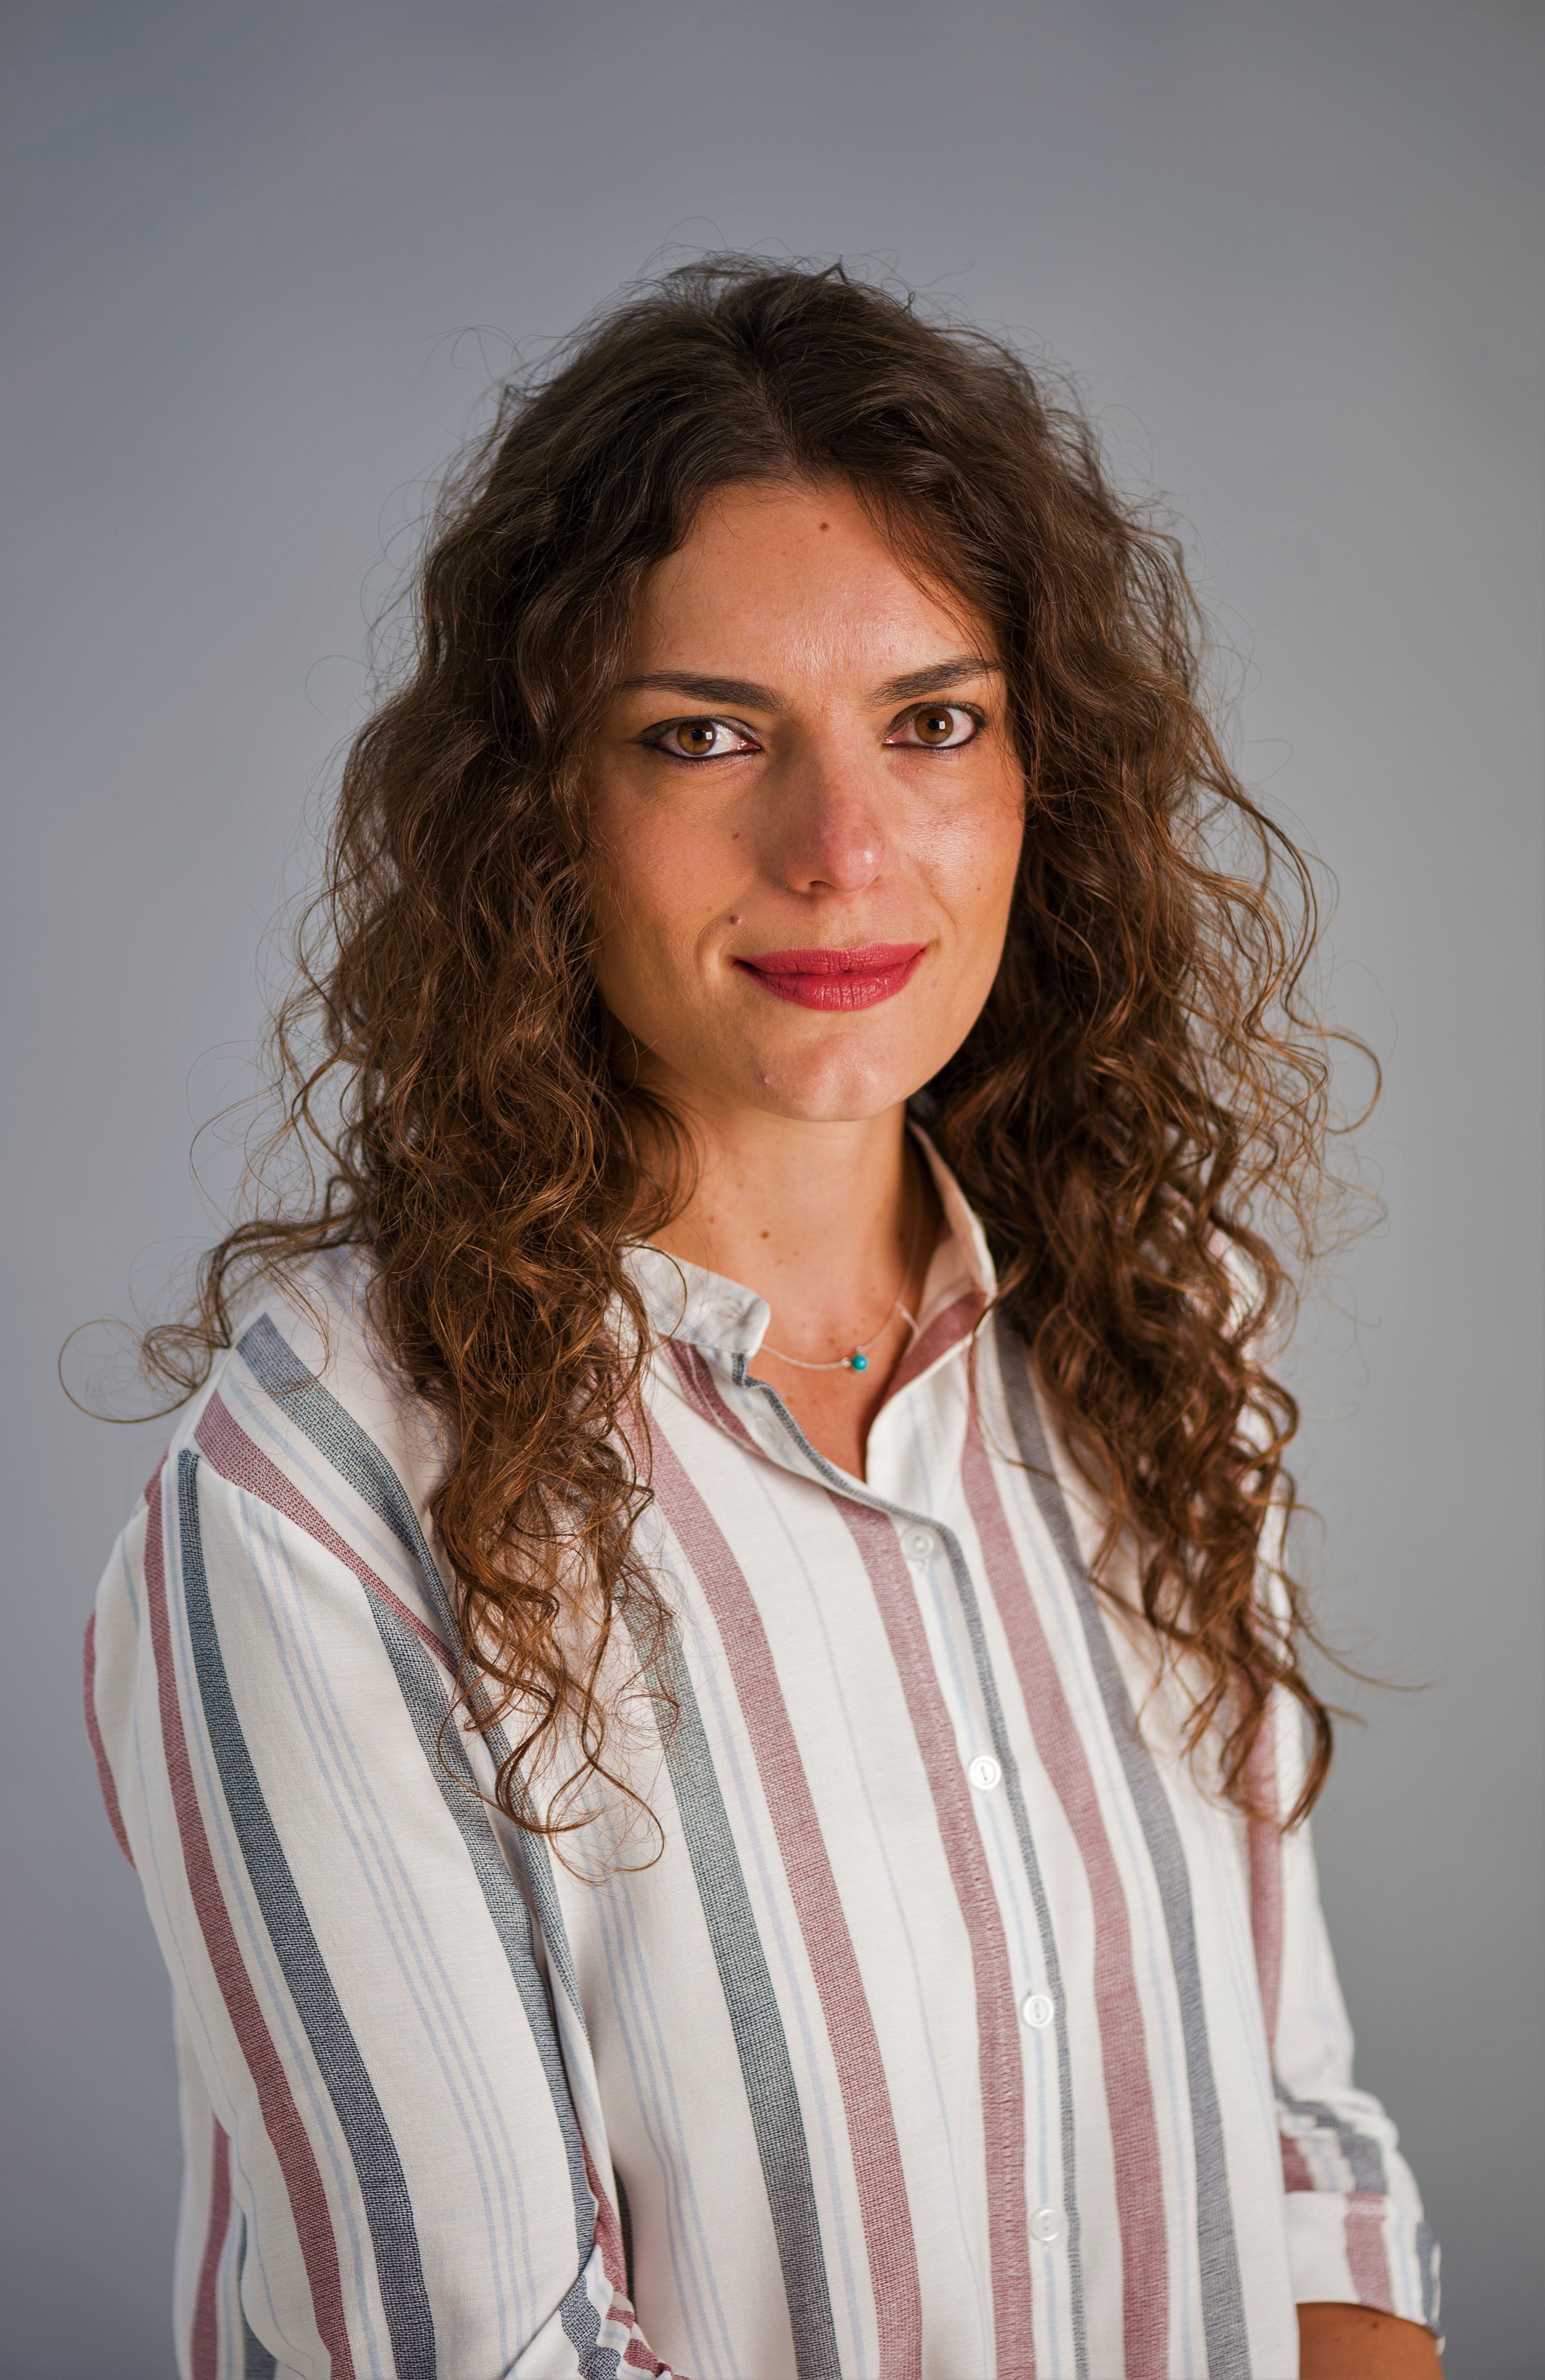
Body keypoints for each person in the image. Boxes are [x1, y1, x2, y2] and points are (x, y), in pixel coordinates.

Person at [86, 260, 1442, 2380]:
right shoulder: (318, 1492)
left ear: (1038, 784)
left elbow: (1290, 2156)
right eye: (705, 734)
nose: (842, 848)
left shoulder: (1163, 1337)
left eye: (931, 722)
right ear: (538, 807)